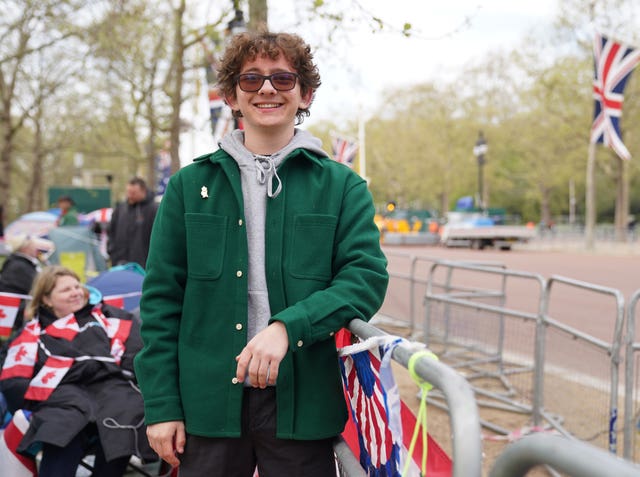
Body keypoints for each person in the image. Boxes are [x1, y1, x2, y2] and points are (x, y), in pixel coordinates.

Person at [134, 30, 389, 476]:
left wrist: (287, 328)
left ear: (305, 93)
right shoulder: (188, 188)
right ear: (232, 96)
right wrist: (161, 405)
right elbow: (160, 303)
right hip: (207, 404)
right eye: (251, 79)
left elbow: (364, 278)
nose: (267, 89)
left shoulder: (342, 186)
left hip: (302, 402)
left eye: (283, 79)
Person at [0, 265, 155, 476]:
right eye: (66, 290)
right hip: (62, 400)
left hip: (114, 394)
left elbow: (137, 356)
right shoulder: (30, 335)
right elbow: (13, 384)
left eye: (77, 286)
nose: (76, 293)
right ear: (46, 299)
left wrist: (83, 368)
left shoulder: (114, 318)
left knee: (125, 413)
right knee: (65, 425)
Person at [0, 234, 54, 338]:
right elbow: (38, 287)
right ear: (24, 248)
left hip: (23, 305)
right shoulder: (19, 266)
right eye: (33, 246)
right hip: (18, 309)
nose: (37, 249)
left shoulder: (23, 263)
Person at [107, 177, 158, 269]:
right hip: (120, 263)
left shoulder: (154, 210)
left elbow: (159, 236)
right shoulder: (120, 209)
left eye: (133, 193)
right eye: (128, 192)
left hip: (143, 265)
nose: (130, 196)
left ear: (143, 191)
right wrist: (111, 251)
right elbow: (111, 231)